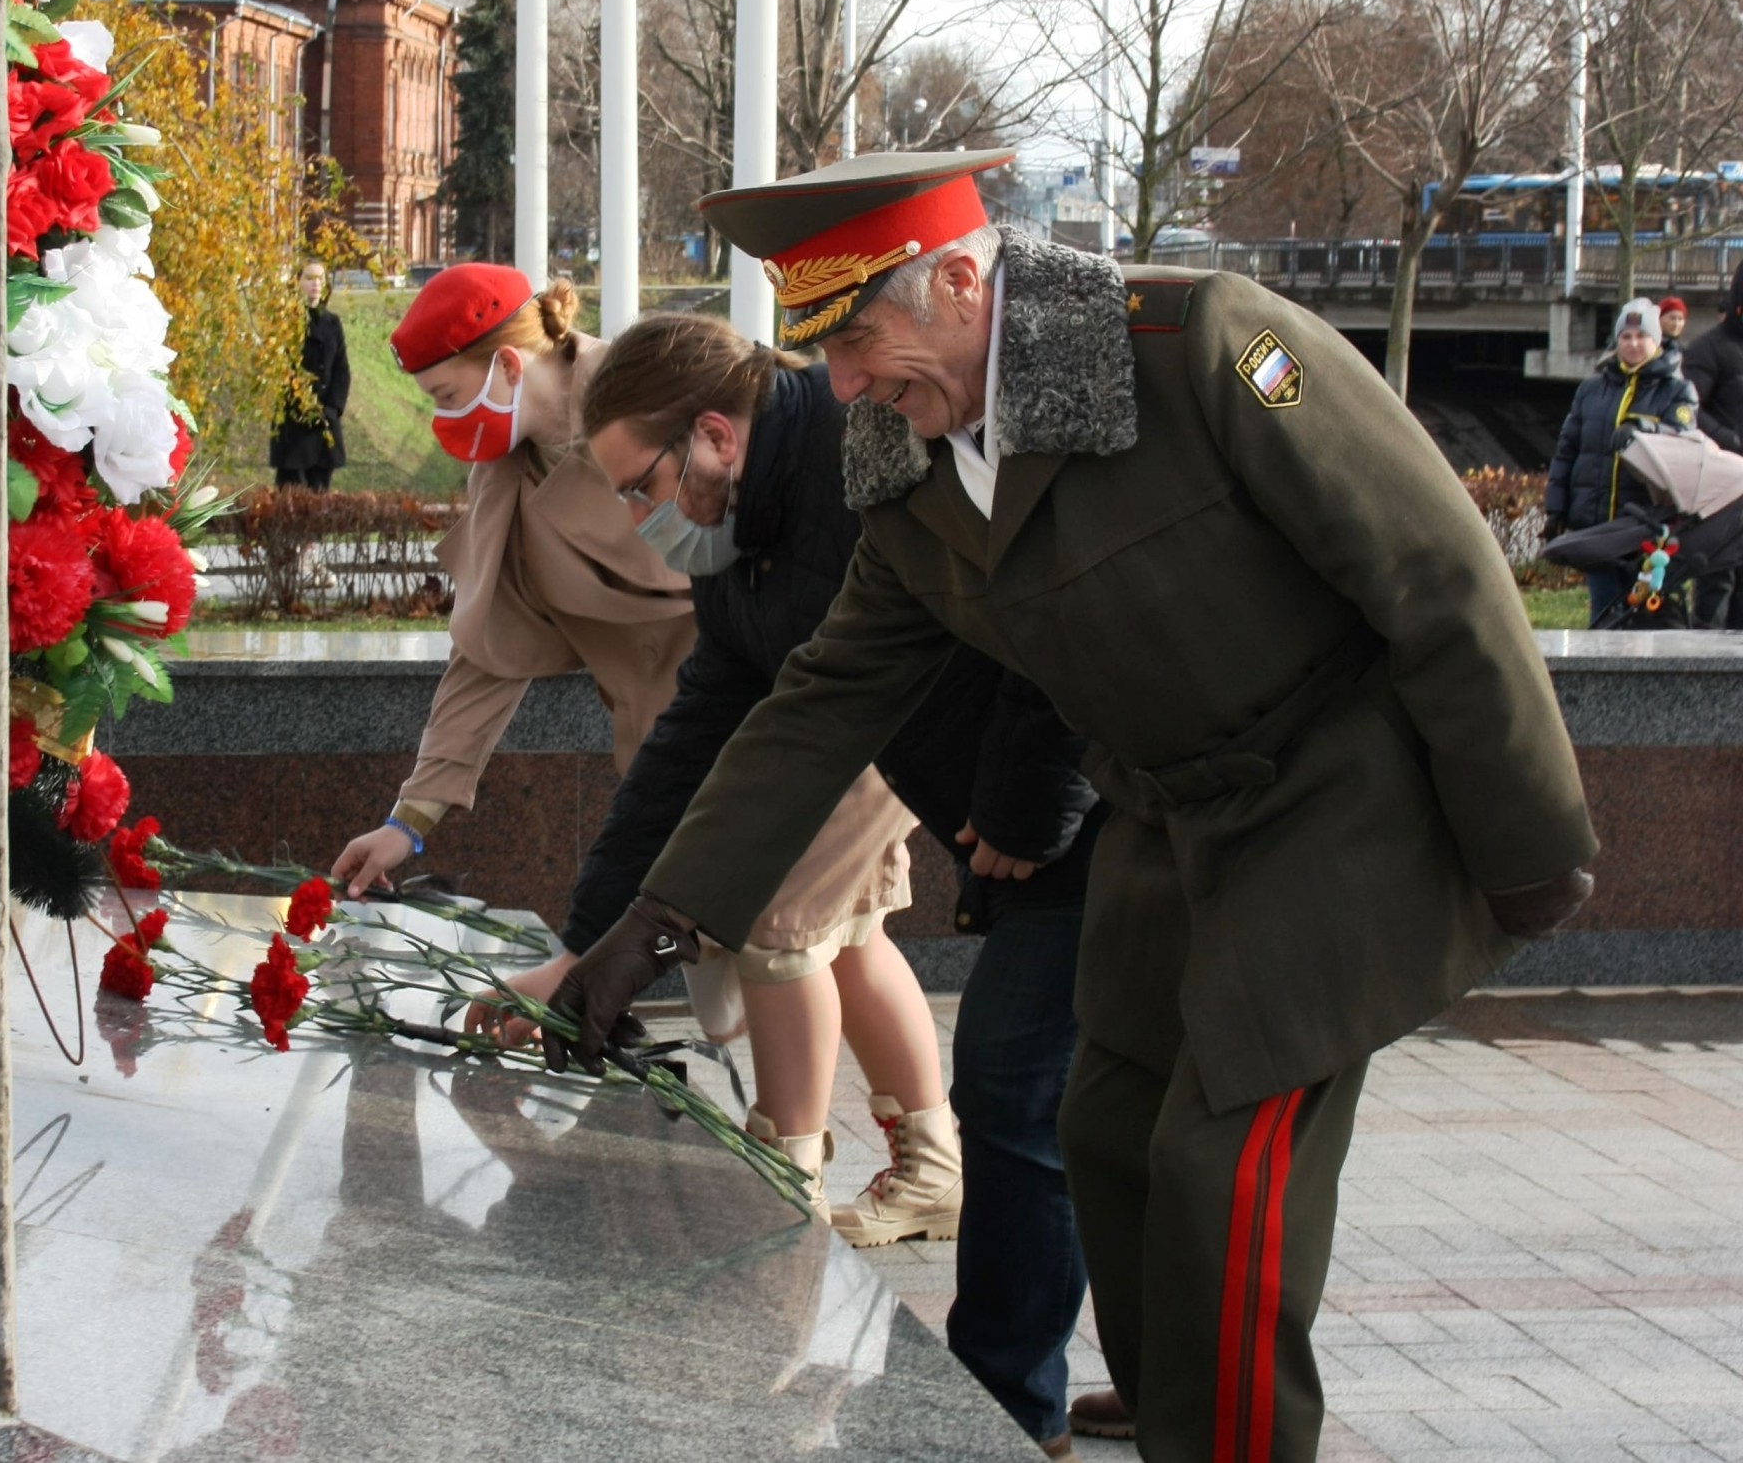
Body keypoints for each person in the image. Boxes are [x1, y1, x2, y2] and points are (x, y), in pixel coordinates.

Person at [546, 150, 1597, 1463]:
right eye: (828, 346)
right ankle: (1174, 1393)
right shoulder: (905, 453)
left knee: (1231, 1166)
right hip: (1170, 813)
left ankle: (1230, 1436)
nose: (847, 379)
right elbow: (821, 703)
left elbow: (1438, 569)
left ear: (967, 280)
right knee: (1101, 1126)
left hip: (1341, 802)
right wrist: (652, 921)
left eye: (860, 336)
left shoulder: (1204, 348)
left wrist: (1535, 837)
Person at [465, 313, 1109, 1453]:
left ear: (715, 435)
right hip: (995, 809)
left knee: (1021, 1085)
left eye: (640, 485)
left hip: (1095, 805)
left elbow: (1050, 605)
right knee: (1071, 1099)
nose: (635, 516)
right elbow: (708, 735)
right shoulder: (740, 539)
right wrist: (592, 939)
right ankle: (1068, 1384)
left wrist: (1024, 801)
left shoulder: (866, 466)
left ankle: (1005, 1405)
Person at [332, 265, 696, 889]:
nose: (442, 420)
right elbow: (487, 649)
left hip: (771, 717)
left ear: (506, 366)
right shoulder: (505, 474)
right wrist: (409, 820)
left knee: (793, 954)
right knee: (731, 958)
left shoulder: (660, 392)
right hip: (669, 749)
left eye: (447, 396)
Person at [1546, 297, 1698, 625]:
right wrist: (1555, 507)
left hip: (1646, 526)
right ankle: (1598, 675)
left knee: (1642, 614)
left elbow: (1683, 439)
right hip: (1597, 523)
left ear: (1655, 341)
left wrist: (1645, 430)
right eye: (1625, 337)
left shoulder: (1678, 390)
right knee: (1602, 610)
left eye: (1640, 336)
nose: (1632, 344)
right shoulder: (1591, 390)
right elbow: (1567, 449)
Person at [1683, 265, 1743, 626]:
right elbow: (1688, 411)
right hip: (1723, 490)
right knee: (1717, 586)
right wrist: (1730, 443)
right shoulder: (1709, 348)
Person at [269, 259, 351, 492]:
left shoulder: (332, 323)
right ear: (297, 282)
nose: (316, 284)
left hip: (324, 422)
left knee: (320, 495)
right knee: (291, 497)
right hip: (293, 426)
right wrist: (302, 406)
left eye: (320, 278)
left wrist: (333, 409)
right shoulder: (286, 321)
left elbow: (341, 370)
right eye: (309, 278)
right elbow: (280, 370)